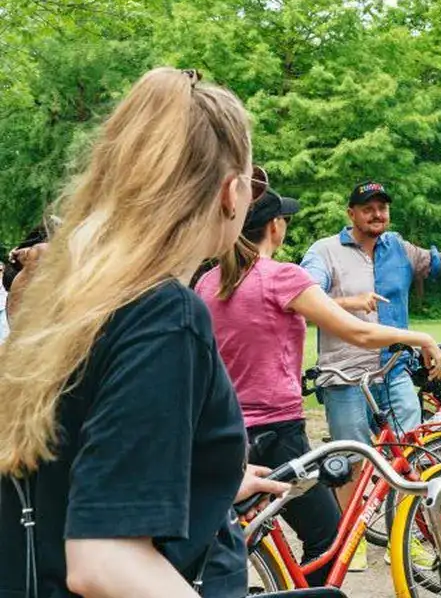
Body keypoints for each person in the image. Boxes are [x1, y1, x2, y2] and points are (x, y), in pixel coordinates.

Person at [0, 68, 288, 598]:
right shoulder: (165, 314)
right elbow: (104, 559)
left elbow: (74, 461)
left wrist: (199, 480)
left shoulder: (69, 300)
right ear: (231, 192)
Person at [194, 188, 441, 584]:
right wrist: (421, 339)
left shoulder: (209, 281)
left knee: (243, 530)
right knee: (326, 537)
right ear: (274, 227)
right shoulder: (281, 277)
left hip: (224, 431)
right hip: (277, 434)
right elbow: (356, 332)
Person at [299, 182, 441, 513]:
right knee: (351, 459)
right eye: (368, 208)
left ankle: (405, 534)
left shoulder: (398, 248)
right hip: (347, 375)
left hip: (395, 371)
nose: (377, 214)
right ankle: (350, 541)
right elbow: (305, 297)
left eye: (382, 208)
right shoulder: (325, 251)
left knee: (410, 454)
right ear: (351, 213)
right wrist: (350, 301)